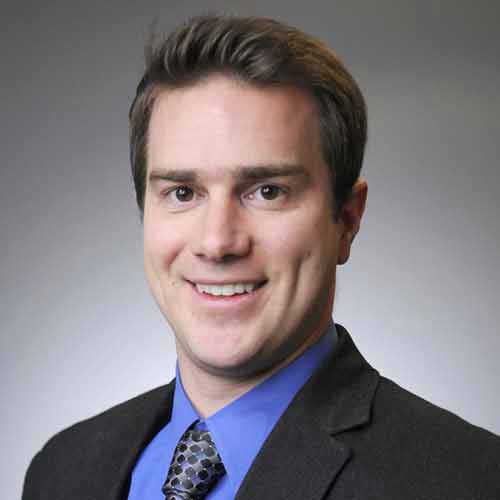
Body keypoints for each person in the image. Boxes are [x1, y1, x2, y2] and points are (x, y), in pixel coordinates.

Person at [22, 14, 499, 500]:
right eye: (183, 192)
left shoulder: (468, 482)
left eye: (268, 191)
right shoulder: (61, 471)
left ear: (347, 219)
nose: (217, 243)